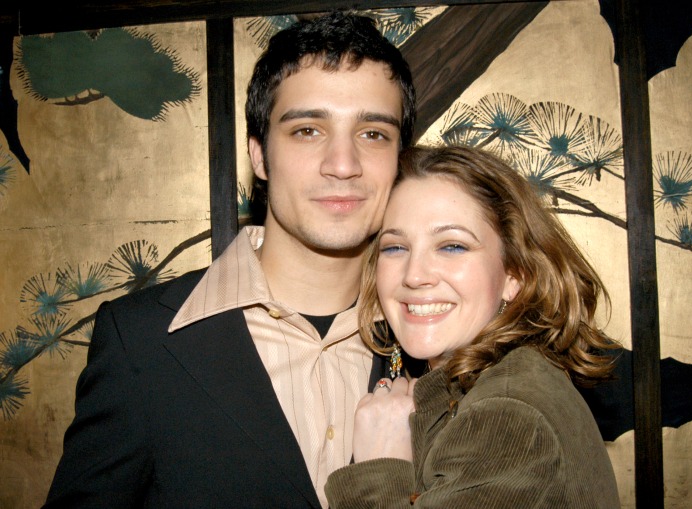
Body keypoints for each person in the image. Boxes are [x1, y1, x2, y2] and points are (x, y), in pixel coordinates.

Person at [44, 11, 415, 509]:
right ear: (259, 156)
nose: (343, 165)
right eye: (307, 130)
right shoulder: (141, 343)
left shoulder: (441, 344)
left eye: (373, 134)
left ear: (399, 160)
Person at [325, 145, 621, 508]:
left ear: (515, 273)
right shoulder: (496, 383)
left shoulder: (506, 415)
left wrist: (378, 467)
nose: (414, 275)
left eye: (452, 246)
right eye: (395, 248)